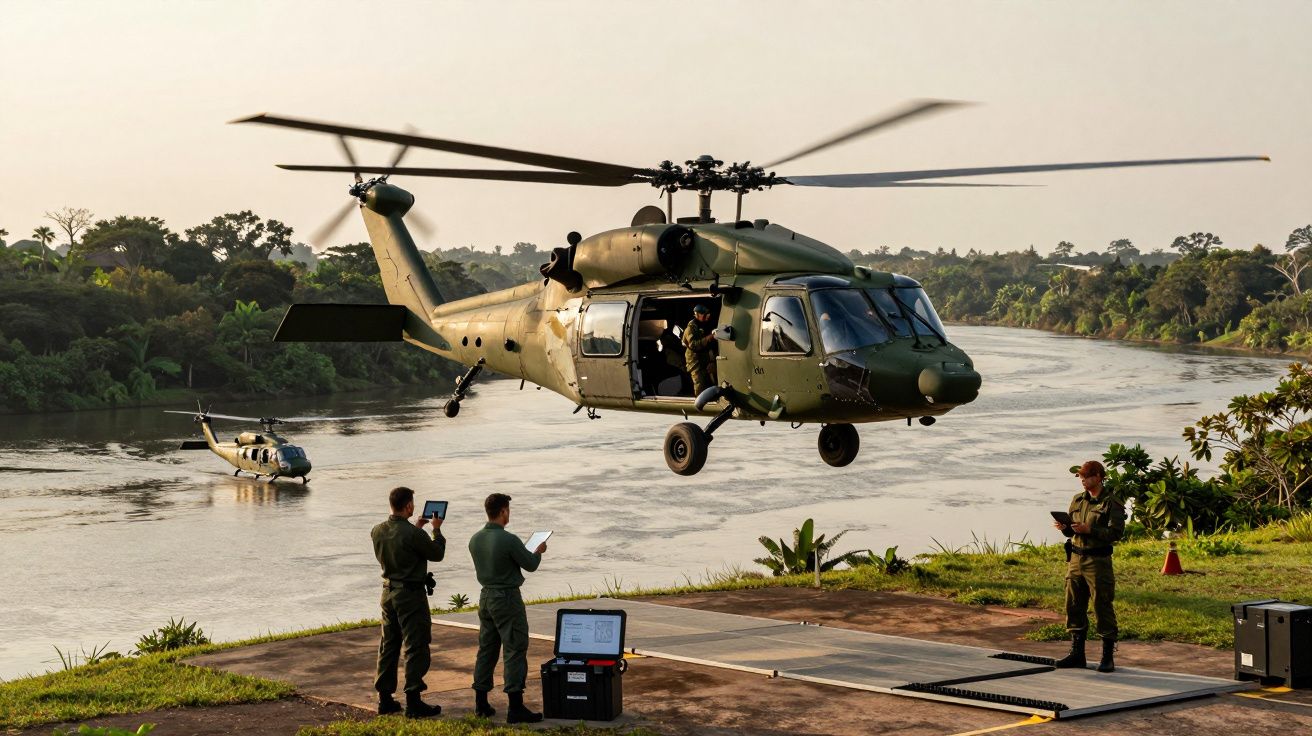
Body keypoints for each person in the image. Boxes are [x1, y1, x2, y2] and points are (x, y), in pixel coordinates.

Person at [469, 492, 547, 723]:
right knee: (514, 648)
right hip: (507, 598)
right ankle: (515, 707)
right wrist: (538, 551)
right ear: (503, 511)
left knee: (487, 649)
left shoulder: (475, 539)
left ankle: (481, 703)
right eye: (508, 510)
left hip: (485, 597)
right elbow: (530, 565)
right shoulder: (509, 539)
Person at [371, 486, 446, 717]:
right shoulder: (414, 534)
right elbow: (437, 554)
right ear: (410, 506)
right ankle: (413, 700)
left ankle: (385, 699)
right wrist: (436, 531)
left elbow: (401, 544)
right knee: (416, 644)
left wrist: (418, 527)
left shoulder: (377, 530)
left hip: (388, 593)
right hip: (410, 596)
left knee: (389, 644)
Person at [1052, 460, 1126, 673]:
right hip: (1076, 559)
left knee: (1102, 605)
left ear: (1099, 477)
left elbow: (1116, 534)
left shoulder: (1111, 503)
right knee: (1073, 604)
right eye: (1081, 478)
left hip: (1098, 561)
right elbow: (1072, 530)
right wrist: (1065, 528)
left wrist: (1090, 531)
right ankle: (1077, 653)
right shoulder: (1078, 500)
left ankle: (1107, 656)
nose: (1083, 481)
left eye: (1087, 477)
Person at [682, 303, 717, 396]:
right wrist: (709, 337)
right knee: (700, 386)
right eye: (704, 314)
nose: (707, 316)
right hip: (696, 362)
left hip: (706, 360)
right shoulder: (691, 328)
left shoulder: (704, 325)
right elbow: (693, 345)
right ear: (697, 314)